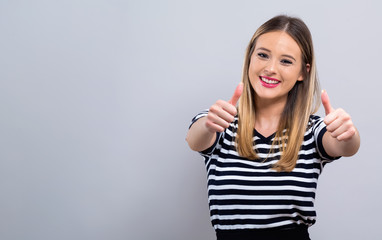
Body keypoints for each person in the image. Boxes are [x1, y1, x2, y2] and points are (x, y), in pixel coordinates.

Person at [186, 15, 360, 240]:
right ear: (250, 58)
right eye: (262, 55)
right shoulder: (220, 122)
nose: (270, 68)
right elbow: (195, 139)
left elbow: (344, 146)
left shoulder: (312, 130)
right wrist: (209, 125)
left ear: (302, 72)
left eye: (286, 61)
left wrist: (348, 134)